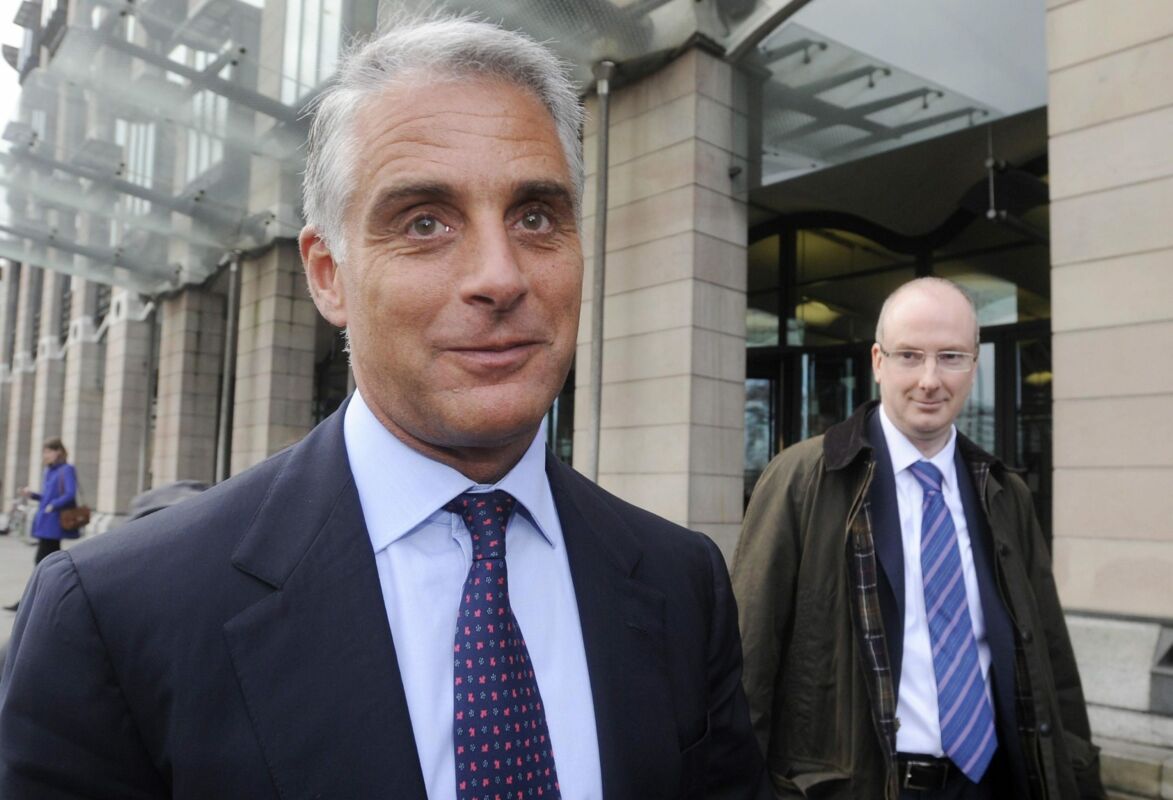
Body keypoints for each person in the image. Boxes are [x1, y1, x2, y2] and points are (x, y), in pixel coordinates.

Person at [0, 14, 768, 799]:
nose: (500, 278)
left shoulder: (682, 582)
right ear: (328, 273)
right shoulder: (114, 614)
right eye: (424, 222)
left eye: (536, 216)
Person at [733, 277, 1104, 800]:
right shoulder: (803, 479)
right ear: (878, 362)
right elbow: (747, 665)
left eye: (950, 356)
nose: (930, 380)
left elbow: (1051, 662)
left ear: (974, 366)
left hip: (991, 783)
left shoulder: (1004, 492)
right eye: (910, 356)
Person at [2, 438, 79, 613]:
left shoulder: (67, 469)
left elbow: (70, 493)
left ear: (58, 451)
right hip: (44, 522)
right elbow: (46, 497)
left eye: (47, 451)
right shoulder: (49, 471)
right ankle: (41, 602)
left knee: (43, 563)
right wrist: (32, 495)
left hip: (53, 524)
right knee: (47, 564)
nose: (45, 455)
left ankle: (30, 603)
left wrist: (54, 505)